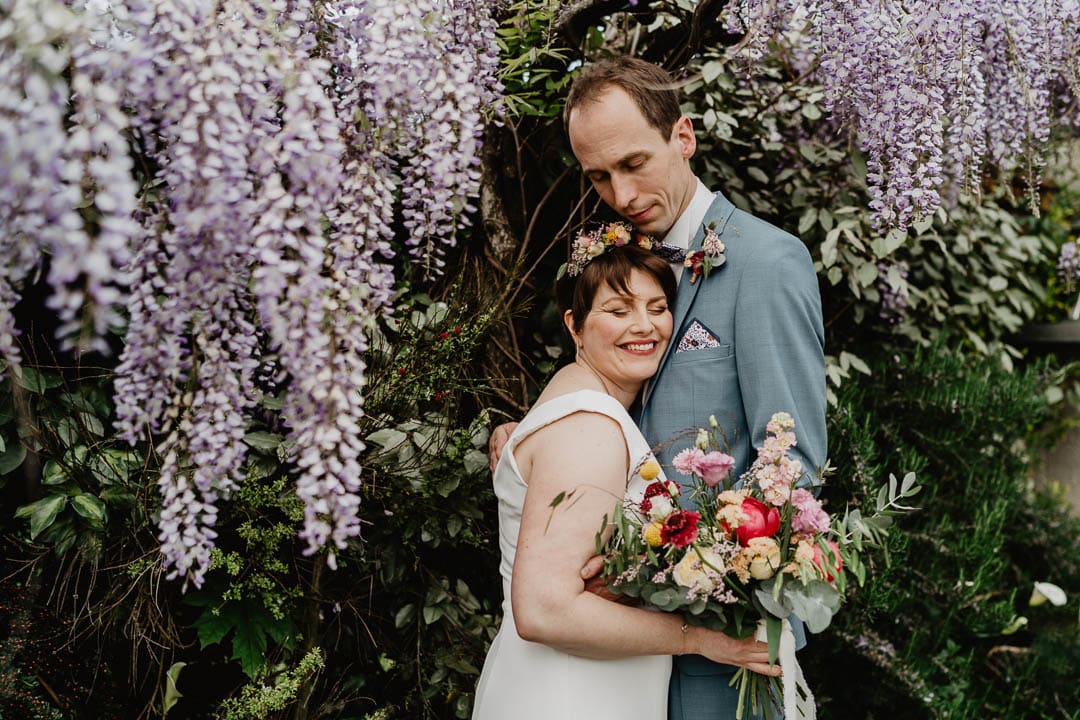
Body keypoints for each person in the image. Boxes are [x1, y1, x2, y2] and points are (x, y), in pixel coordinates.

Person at [489, 57, 827, 720]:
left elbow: (791, 469)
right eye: (599, 176)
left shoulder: (765, 261)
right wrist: (526, 432)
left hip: (725, 647)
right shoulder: (627, 270)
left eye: (634, 162)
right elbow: (598, 405)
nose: (621, 191)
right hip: (622, 653)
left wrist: (663, 575)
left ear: (684, 137)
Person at [472, 241, 782, 719]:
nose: (644, 325)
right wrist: (700, 639)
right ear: (574, 325)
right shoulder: (589, 427)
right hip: (571, 694)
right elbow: (544, 610)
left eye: (657, 308)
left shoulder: (582, 406)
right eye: (618, 310)